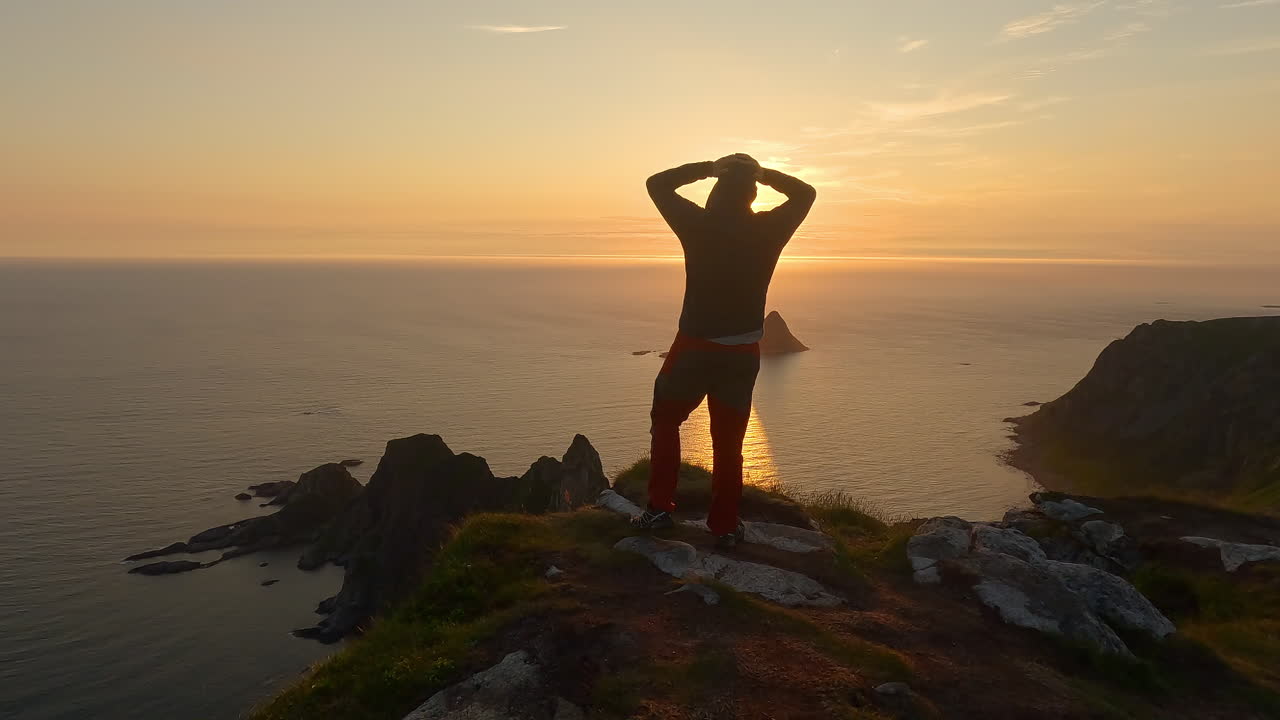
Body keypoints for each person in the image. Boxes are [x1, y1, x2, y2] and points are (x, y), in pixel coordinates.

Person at [632, 153, 816, 547]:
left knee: (666, 420)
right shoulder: (769, 229)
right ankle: (725, 525)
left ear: (715, 193)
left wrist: (710, 167)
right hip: (743, 350)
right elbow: (805, 193)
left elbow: (657, 183)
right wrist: (762, 173)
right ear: (752, 196)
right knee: (729, 442)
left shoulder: (697, 224)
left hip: (693, 345)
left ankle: (660, 509)